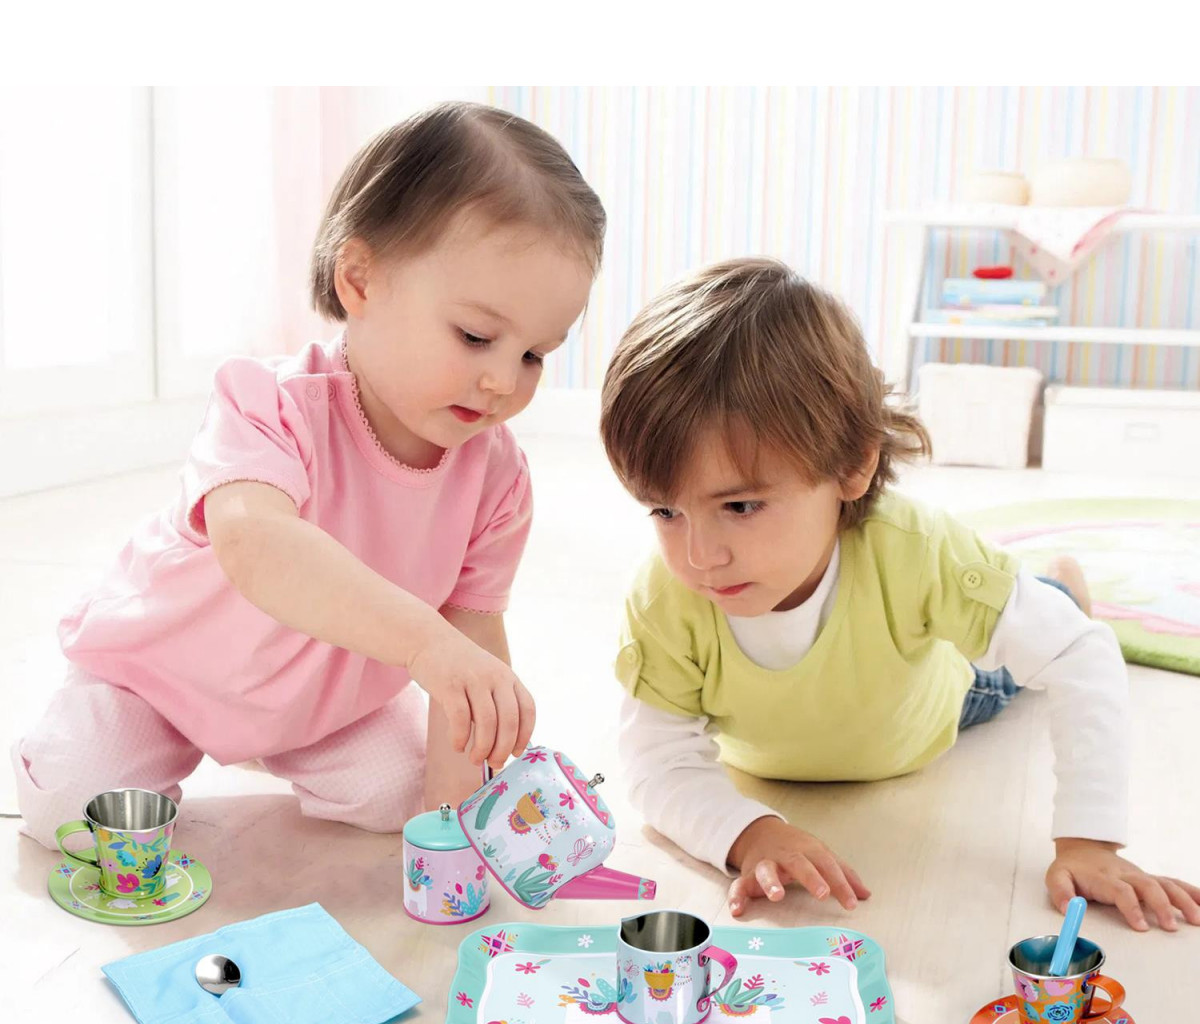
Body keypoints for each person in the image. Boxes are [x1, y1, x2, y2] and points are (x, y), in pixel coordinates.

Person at [13, 102, 604, 846]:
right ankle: (88, 730)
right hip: (161, 677)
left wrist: (453, 829)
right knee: (73, 812)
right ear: (359, 280)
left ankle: (285, 747)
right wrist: (425, 643)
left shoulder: (497, 476)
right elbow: (256, 543)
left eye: (534, 355)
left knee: (408, 797)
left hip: (321, 707)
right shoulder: (268, 403)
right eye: (476, 336)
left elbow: (472, 639)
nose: (502, 381)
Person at [602, 258, 1199, 933]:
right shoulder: (663, 599)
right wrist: (749, 833)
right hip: (788, 743)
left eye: (739, 506)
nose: (699, 557)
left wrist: (1089, 841)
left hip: (935, 708)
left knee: (1016, 652)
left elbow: (1079, 655)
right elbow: (657, 763)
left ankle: (1060, 583)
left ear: (853, 464)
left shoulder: (915, 550)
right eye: (665, 512)